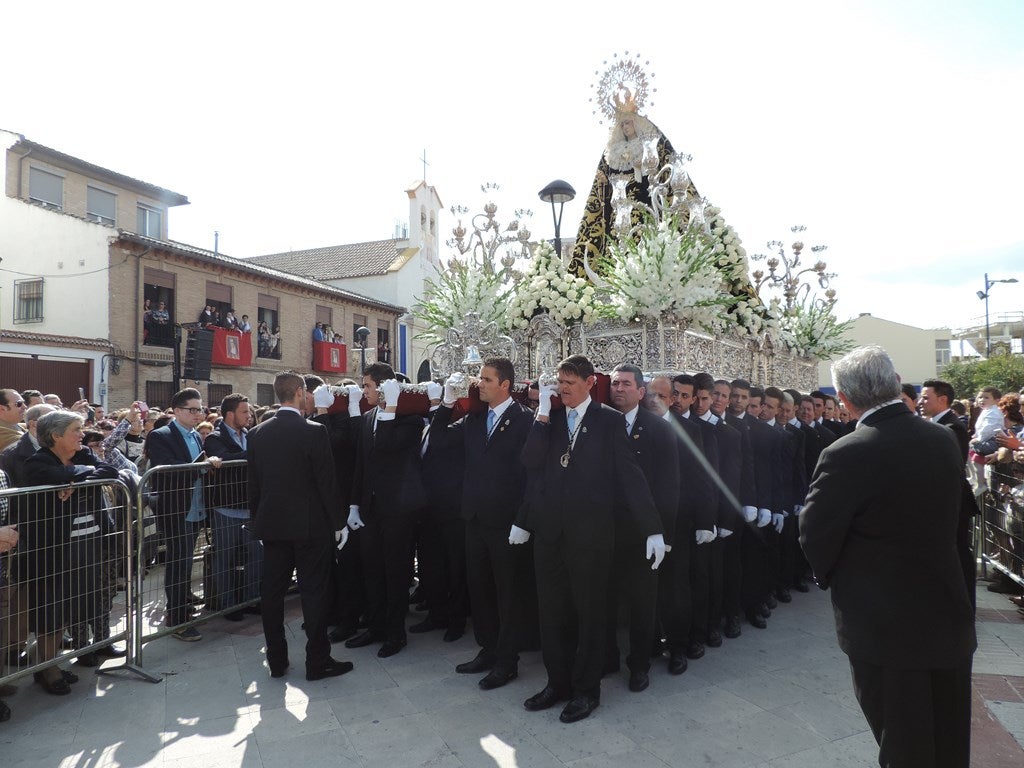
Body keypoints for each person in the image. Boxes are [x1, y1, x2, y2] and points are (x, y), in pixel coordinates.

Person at [800, 346, 976, 768]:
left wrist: (833, 577)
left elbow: (815, 535)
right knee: (949, 734)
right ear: (896, 384)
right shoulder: (942, 438)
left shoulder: (847, 452)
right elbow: (961, 518)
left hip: (883, 626)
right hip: (947, 610)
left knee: (902, 742)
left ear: (844, 399)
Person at [517, 355, 665, 723]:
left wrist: (653, 528)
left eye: (569, 383)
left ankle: (586, 690)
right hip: (551, 534)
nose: (562, 388)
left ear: (588, 383)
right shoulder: (548, 418)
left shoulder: (608, 420)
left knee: (589, 616)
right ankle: (557, 683)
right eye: (558, 382)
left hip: (592, 537)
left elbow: (631, 476)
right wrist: (541, 415)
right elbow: (531, 464)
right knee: (552, 614)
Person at [247, 372, 352, 681]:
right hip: (311, 528)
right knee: (314, 593)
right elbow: (326, 482)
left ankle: (277, 661)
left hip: (274, 527)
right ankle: (318, 661)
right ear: (299, 392)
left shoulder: (257, 434)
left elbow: (254, 487)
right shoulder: (314, 432)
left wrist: (259, 524)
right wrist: (339, 523)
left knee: (272, 595)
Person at [23, 410, 119, 693]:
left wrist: (73, 480)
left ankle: (71, 654)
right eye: (76, 429)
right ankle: (47, 669)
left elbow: (109, 470)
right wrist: (78, 476)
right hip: (53, 548)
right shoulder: (37, 462)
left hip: (87, 543)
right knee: (52, 609)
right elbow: (57, 474)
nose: (82, 434)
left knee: (78, 601)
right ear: (56, 436)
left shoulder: (81, 455)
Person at [606, 366, 679, 692]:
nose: (618, 389)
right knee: (604, 599)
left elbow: (668, 487)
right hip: (604, 530)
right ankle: (607, 656)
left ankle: (639, 664)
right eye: (614, 384)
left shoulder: (658, 429)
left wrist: (662, 534)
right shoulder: (600, 423)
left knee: (641, 602)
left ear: (640, 391)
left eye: (625, 384)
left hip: (642, 533)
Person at [345, 362, 426, 658]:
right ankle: (376, 626)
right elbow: (361, 464)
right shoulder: (368, 418)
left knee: (395, 571)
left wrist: (391, 408)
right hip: (370, 507)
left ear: (382, 387)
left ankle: (395, 633)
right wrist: (354, 504)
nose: (362, 390)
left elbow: (388, 451)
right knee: (373, 570)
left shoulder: (411, 419)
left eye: (366, 385)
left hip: (399, 508)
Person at [146, 388, 222, 641]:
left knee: (188, 562)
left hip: (197, 508)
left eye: (200, 409)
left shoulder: (195, 436)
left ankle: (184, 604)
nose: (198, 413)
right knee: (178, 564)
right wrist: (202, 465)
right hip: (176, 509)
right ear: (177, 411)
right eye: (193, 409)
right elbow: (166, 468)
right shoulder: (160, 435)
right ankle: (177, 618)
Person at [204, 394, 262, 622]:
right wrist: (256, 454)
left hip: (250, 509)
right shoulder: (214, 438)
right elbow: (227, 459)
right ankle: (229, 605)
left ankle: (252, 599)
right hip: (225, 509)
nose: (250, 416)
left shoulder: (250, 435)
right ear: (230, 414)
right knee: (224, 558)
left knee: (257, 556)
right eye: (245, 412)